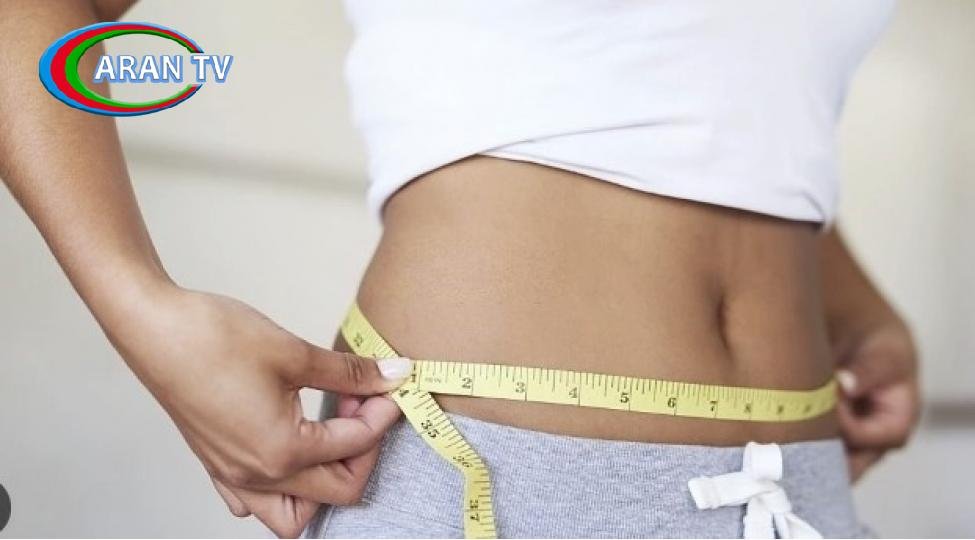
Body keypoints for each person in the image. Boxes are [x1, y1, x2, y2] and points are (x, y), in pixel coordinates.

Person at [1, 0, 920, 537]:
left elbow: (726, 96)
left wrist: (848, 297)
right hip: (496, 470)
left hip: (797, 484)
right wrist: (139, 306)